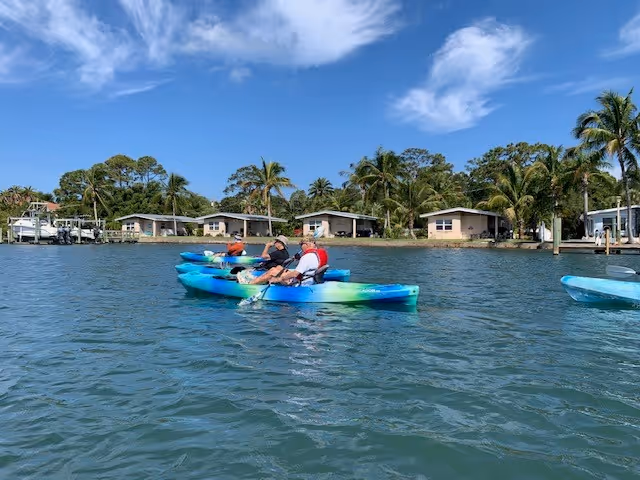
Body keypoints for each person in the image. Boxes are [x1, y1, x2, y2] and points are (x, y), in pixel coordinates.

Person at [249, 235, 328, 286]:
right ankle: (256, 282)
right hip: (310, 278)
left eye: (301, 245)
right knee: (278, 268)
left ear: (306, 245)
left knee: (273, 271)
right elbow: (309, 266)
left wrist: (279, 279)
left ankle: (250, 285)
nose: (301, 247)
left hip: (301, 283)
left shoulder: (307, 257)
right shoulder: (317, 254)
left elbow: (295, 274)